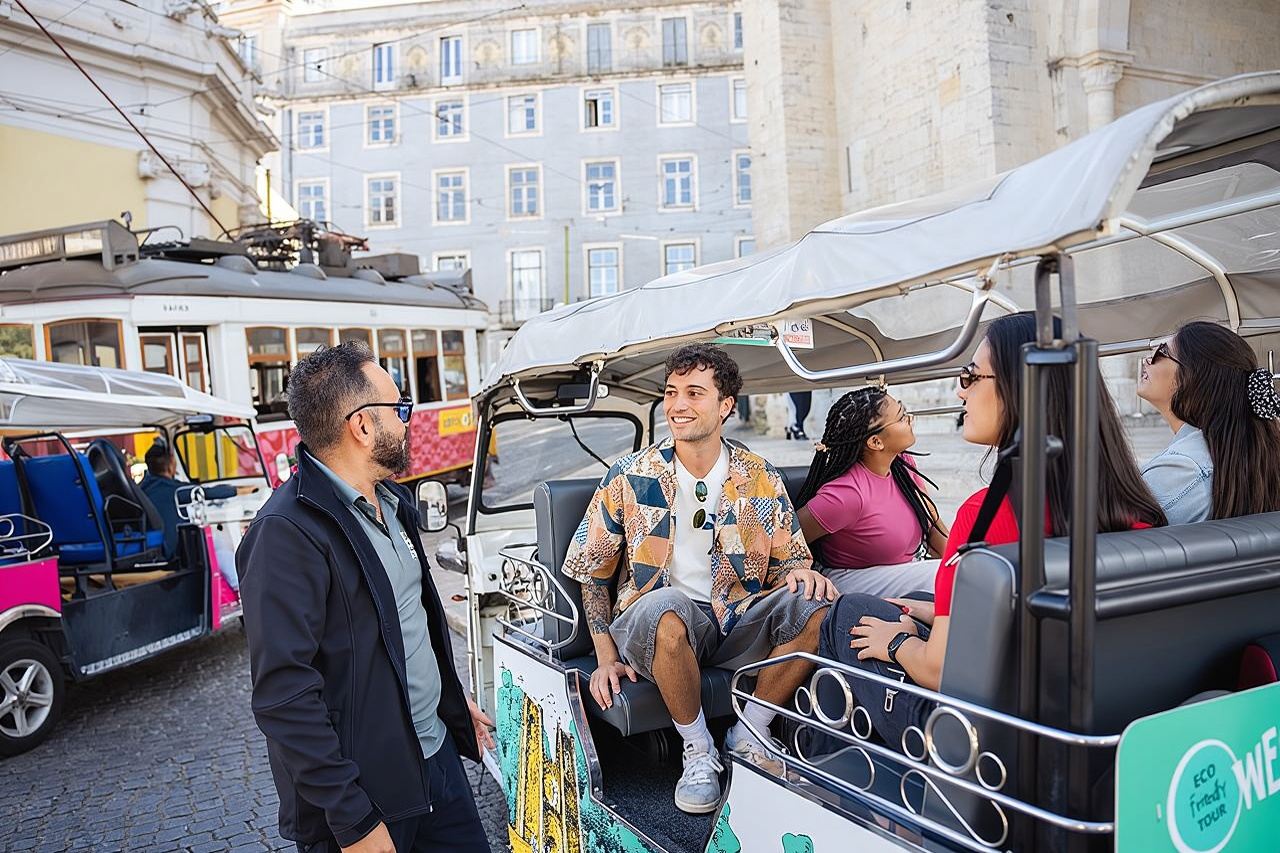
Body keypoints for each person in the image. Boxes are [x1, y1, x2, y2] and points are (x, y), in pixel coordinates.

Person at [817, 313, 1164, 742]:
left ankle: (822, 762)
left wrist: (896, 643)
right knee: (916, 601)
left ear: (1017, 390)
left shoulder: (986, 515)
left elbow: (938, 670)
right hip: (1074, 711)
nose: (960, 390)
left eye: (970, 376)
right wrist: (928, 616)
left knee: (850, 614)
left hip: (981, 739)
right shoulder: (1134, 506)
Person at [237, 342, 493, 853]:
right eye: (399, 410)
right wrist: (353, 820)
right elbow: (284, 696)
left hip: (434, 757)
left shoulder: (392, 502)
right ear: (362, 426)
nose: (406, 423)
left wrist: (445, 699)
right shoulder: (285, 532)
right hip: (368, 796)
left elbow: (403, 626)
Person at [562, 343, 835, 814]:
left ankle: (749, 733)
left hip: (735, 617)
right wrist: (604, 655)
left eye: (694, 393)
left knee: (820, 607)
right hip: (652, 624)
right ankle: (698, 751)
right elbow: (592, 573)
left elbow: (790, 560)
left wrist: (804, 578)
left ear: (726, 405)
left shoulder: (759, 476)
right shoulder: (631, 474)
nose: (677, 406)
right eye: (671, 393)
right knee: (668, 608)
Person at [793, 387, 948, 597]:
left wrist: (959, 558)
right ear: (876, 442)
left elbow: (932, 522)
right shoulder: (845, 495)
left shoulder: (902, 464)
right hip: (849, 582)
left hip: (901, 572)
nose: (910, 419)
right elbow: (787, 538)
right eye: (902, 417)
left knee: (966, 566)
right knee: (949, 574)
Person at [1137, 321, 1280, 523]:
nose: (1147, 360)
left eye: (1162, 351)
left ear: (1191, 377)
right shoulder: (1248, 458)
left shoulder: (1182, 469)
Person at [139, 441, 254, 564]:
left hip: (151, 548)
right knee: (219, 545)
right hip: (173, 550)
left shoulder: (142, 489)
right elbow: (208, 493)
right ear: (171, 464)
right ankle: (237, 582)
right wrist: (246, 490)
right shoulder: (175, 490)